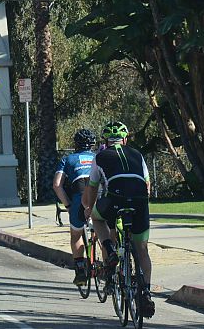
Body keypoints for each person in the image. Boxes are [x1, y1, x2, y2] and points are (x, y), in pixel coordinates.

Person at [81, 121, 155, 318]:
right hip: (139, 202)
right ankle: (146, 292)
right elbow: (147, 186)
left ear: (106, 140)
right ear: (125, 139)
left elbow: (93, 187)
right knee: (142, 250)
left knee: (97, 219)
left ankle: (111, 250)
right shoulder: (137, 155)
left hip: (115, 200)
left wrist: (89, 208)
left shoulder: (100, 156)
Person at [53, 129, 97, 286]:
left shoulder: (68, 159)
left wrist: (69, 205)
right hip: (98, 197)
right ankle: (109, 269)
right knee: (104, 232)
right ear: (92, 144)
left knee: (76, 235)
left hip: (79, 198)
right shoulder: (98, 157)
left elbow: (57, 185)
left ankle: (79, 269)